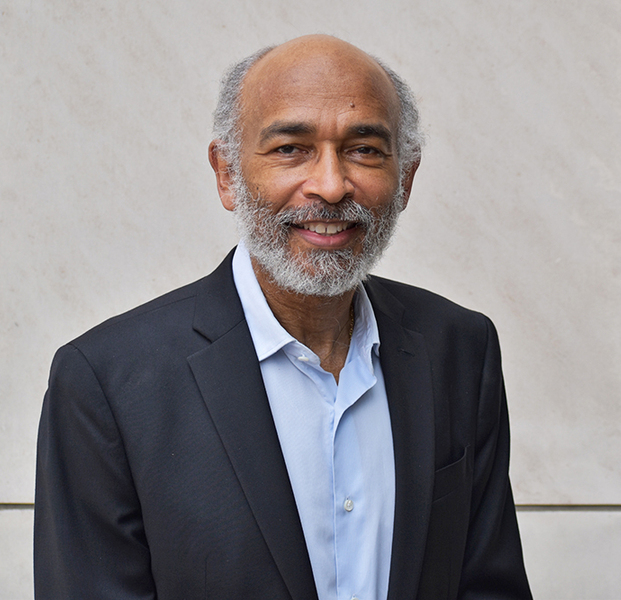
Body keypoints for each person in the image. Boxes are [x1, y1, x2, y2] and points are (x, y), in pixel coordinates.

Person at [34, 34, 532, 600]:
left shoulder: (459, 348)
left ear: (406, 178)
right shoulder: (108, 381)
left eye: (364, 150)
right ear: (227, 174)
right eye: (291, 148)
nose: (330, 186)